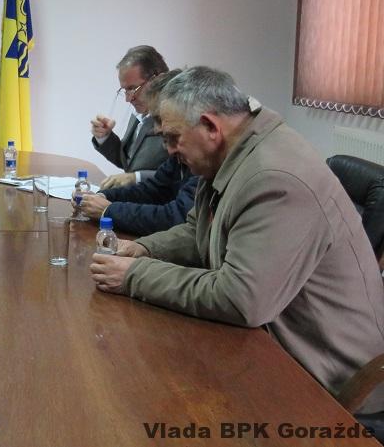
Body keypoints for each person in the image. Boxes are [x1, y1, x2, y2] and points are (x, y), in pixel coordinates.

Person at [89, 66, 384, 414]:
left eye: (172, 138)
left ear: (210, 126)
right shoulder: (230, 152)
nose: (168, 150)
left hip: (334, 385)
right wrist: (144, 248)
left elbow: (240, 299)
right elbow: (197, 230)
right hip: (276, 346)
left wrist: (133, 275)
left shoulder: (274, 177)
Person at [76, 70, 199, 236]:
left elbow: (177, 217)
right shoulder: (178, 154)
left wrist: (109, 210)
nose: (156, 128)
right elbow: (152, 190)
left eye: (158, 117)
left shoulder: (200, 160)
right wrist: (101, 197)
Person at [90, 45, 169, 188]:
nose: (128, 99)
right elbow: (129, 162)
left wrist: (136, 178)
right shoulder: (140, 113)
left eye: (133, 89)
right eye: (125, 90)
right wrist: (104, 137)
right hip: (133, 197)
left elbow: (181, 175)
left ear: (158, 79)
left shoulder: (176, 119)